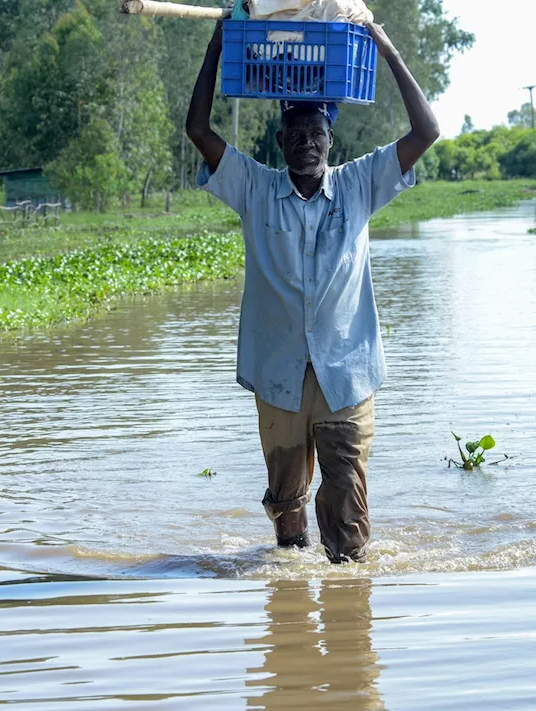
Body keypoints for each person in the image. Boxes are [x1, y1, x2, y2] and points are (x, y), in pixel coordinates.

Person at [186, 16, 439, 563]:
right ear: (280, 141)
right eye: (296, 135)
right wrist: (214, 47)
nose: (306, 144)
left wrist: (388, 48)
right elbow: (199, 132)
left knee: (347, 512)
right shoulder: (255, 187)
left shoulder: (358, 185)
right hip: (279, 375)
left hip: (345, 373)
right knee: (286, 507)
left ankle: (349, 601)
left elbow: (427, 133)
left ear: (332, 140)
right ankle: (290, 589)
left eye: (316, 135)